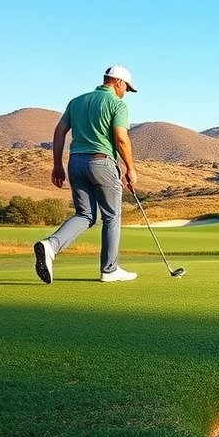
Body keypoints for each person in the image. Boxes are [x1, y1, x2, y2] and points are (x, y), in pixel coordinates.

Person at [34, 65, 140, 284]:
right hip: (101, 162)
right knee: (111, 216)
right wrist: (130, 168)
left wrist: (57, 165)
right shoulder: (117, 105)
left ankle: (50, 246)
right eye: (126, 89)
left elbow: (59, 131)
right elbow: (121, 138)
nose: (125, 93)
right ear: (118, 83)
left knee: (86, 215)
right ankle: (109, 270)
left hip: (76, 163)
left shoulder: (77, 101)